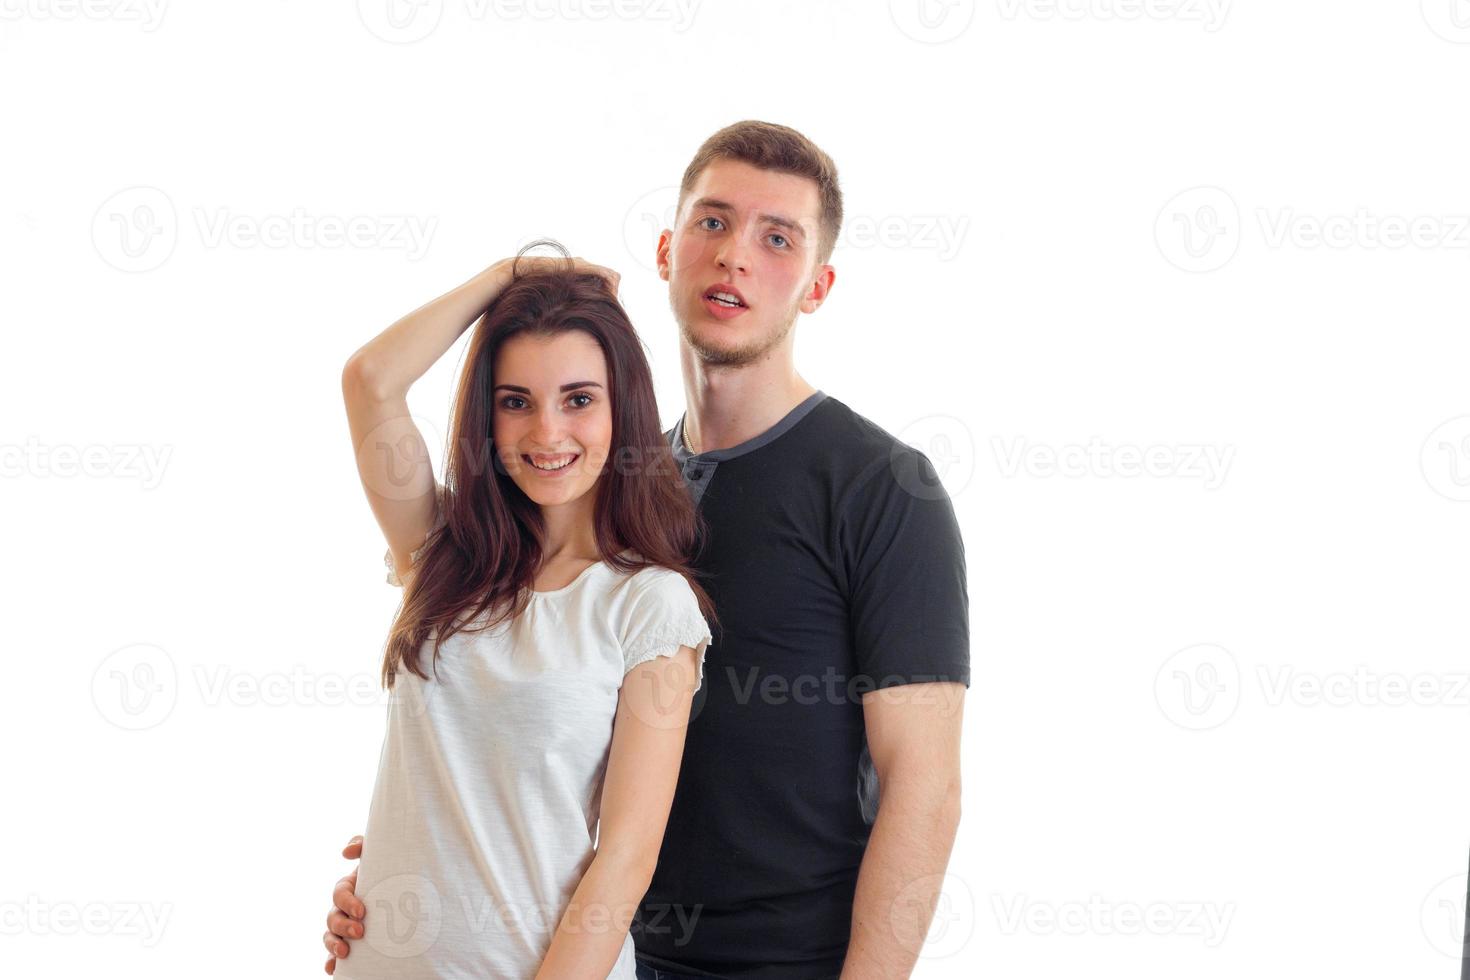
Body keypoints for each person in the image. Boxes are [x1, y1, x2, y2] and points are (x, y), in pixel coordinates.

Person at [326, 121, 970, 979]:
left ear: (817, 285)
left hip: (780, 964)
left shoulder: (881, 487)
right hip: (610, 953)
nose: (735, 256)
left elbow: (922, 789)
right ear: (667, 250)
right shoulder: (607, 489)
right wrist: (432, 869)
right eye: (713, 222)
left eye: (777, 238)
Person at [332, 245, 716, 979]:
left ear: (622, 407)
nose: (546, 434)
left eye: (578, 399)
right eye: (515, 401)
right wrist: (513, 273)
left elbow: (625, 862)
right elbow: (371, 380)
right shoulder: (442, 555)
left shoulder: (648, 604)